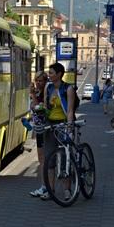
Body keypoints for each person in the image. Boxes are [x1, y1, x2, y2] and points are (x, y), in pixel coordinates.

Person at [41, 62, 76, 200]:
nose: (49, 75)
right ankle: (51, 190)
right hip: (50, 125)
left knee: (65, 158)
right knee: (50, 159)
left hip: (63, 124)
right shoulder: (48, 88)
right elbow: (45, 107)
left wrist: (69, 127)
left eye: (51, 73)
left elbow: (70, 110)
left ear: (59, 74)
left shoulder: (68, 89)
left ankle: (67, 189)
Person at [29, 71, 48, 198]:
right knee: (42, 159)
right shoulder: (39, 92)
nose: (38, 83)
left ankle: (45, 187)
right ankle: (44, 186)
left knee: (43, 160)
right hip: (39, 127)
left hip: (44, 128)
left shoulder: (44, 93)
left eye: (40, 80)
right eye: (37, 80)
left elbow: (37, 107)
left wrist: (32, 95)